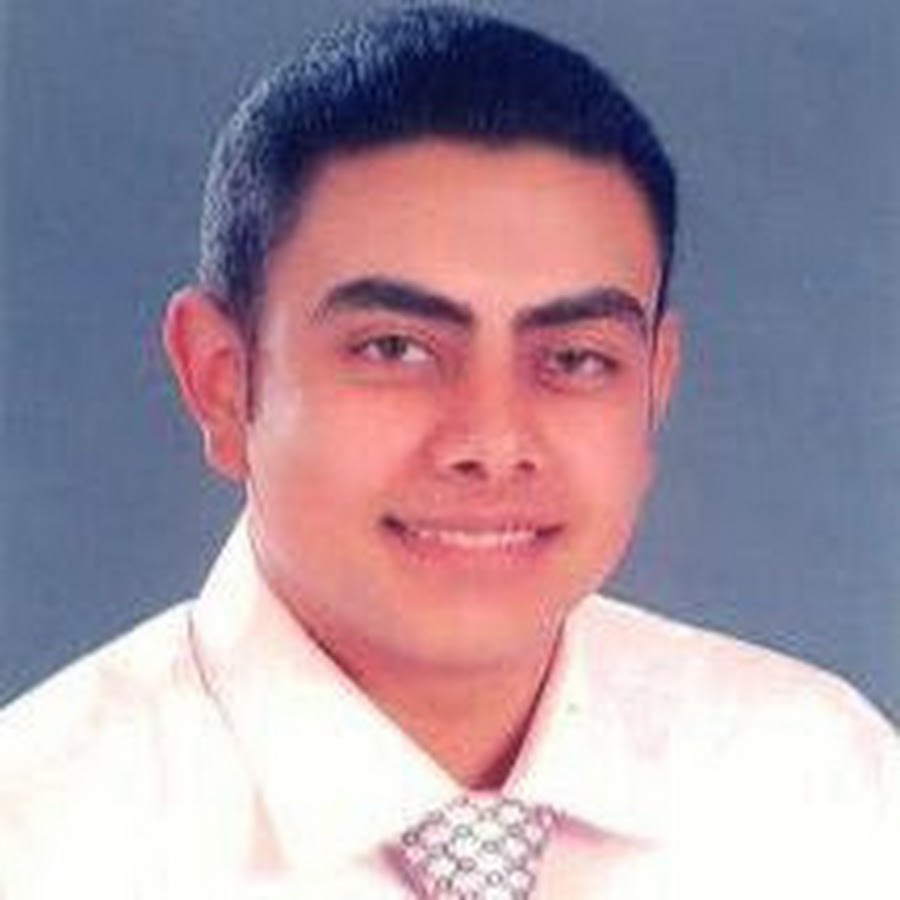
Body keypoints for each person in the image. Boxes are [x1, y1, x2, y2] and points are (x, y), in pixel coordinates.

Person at [1, 6, 896, 898]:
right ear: (223, 380)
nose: (492, 443)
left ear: (655, 387)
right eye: (395, 348)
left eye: (577, 359)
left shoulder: (823, 787)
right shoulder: (38, 840)